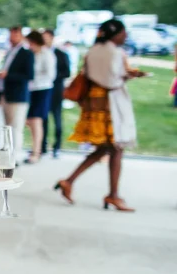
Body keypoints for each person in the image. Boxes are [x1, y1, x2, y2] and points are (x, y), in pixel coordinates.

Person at [55, 19, 145, 212]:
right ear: (116, 34)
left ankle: (71, 182)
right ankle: (112, 194)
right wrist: (129, 75)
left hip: (94, 103)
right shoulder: (115, 53)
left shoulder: (93, 51)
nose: (125, 37)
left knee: (106, 148)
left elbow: (88, 74)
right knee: (116, 148)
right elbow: (112, 80)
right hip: (110, 105)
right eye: (123, 33)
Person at [0, 26, 35, 164]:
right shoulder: (9, 52)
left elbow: (29, 75)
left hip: (18, 96)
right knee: (7, 128)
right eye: (11, 35)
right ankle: (7, 155)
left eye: (15, 35)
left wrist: (8, 75)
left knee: (16, 128)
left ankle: (14, 157)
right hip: (6, 93)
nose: (12, 38)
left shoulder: (26, 53)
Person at [24, 30, 57, 164]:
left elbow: (50, 75)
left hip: (42, 89)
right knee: (30, 121)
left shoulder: (47, 54)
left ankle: (36, 151)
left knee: (36, 121)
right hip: (31, 89)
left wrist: (33, 77)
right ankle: (34, 148)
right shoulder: (32, 54)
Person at [42, 29, 72, 158]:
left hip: (56, 90)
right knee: (43, 119)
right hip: (43, 90)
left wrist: (53, 76)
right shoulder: (40, 53)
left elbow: (67, 72)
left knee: (57, 118)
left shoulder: (60, 54)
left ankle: (57, 146)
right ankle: (42, 145)